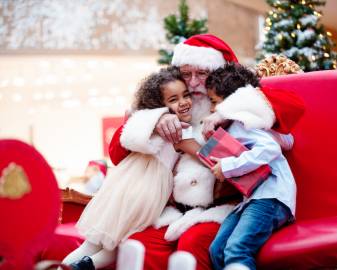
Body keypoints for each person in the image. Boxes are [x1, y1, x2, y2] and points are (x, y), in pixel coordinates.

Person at [108, 34, 305, 270]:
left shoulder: (238, 104)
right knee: (140, 243)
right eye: (185, 74)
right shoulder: (170, 103)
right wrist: (154, 119)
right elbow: (117, 155)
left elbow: (289, 118)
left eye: (201, 74)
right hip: (175, 210)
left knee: (195, 243)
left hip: (225, 206)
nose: (192, 83)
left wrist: (228, 111)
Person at [62, 66, 193, 269]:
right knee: (117, 242)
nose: (183, 102)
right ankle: (85, 265)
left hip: (122, 186)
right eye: (173, 99)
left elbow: (132, 119)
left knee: (101, 242)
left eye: (186, 95)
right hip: (146, 192)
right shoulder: (178, 128)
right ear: (160, 106)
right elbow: (198, 152)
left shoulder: (146, 124)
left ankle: (73, 266)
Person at [207, 63, 296, 270]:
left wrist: (228, 166)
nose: (211, 109)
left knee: (237, 248)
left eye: (214, 102)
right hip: (253, 199)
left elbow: (270, 148)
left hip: (271, 198)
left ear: (230, 103)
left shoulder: (243, 123)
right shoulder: (246, 124)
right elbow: (286, 140)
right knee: (217, 250)